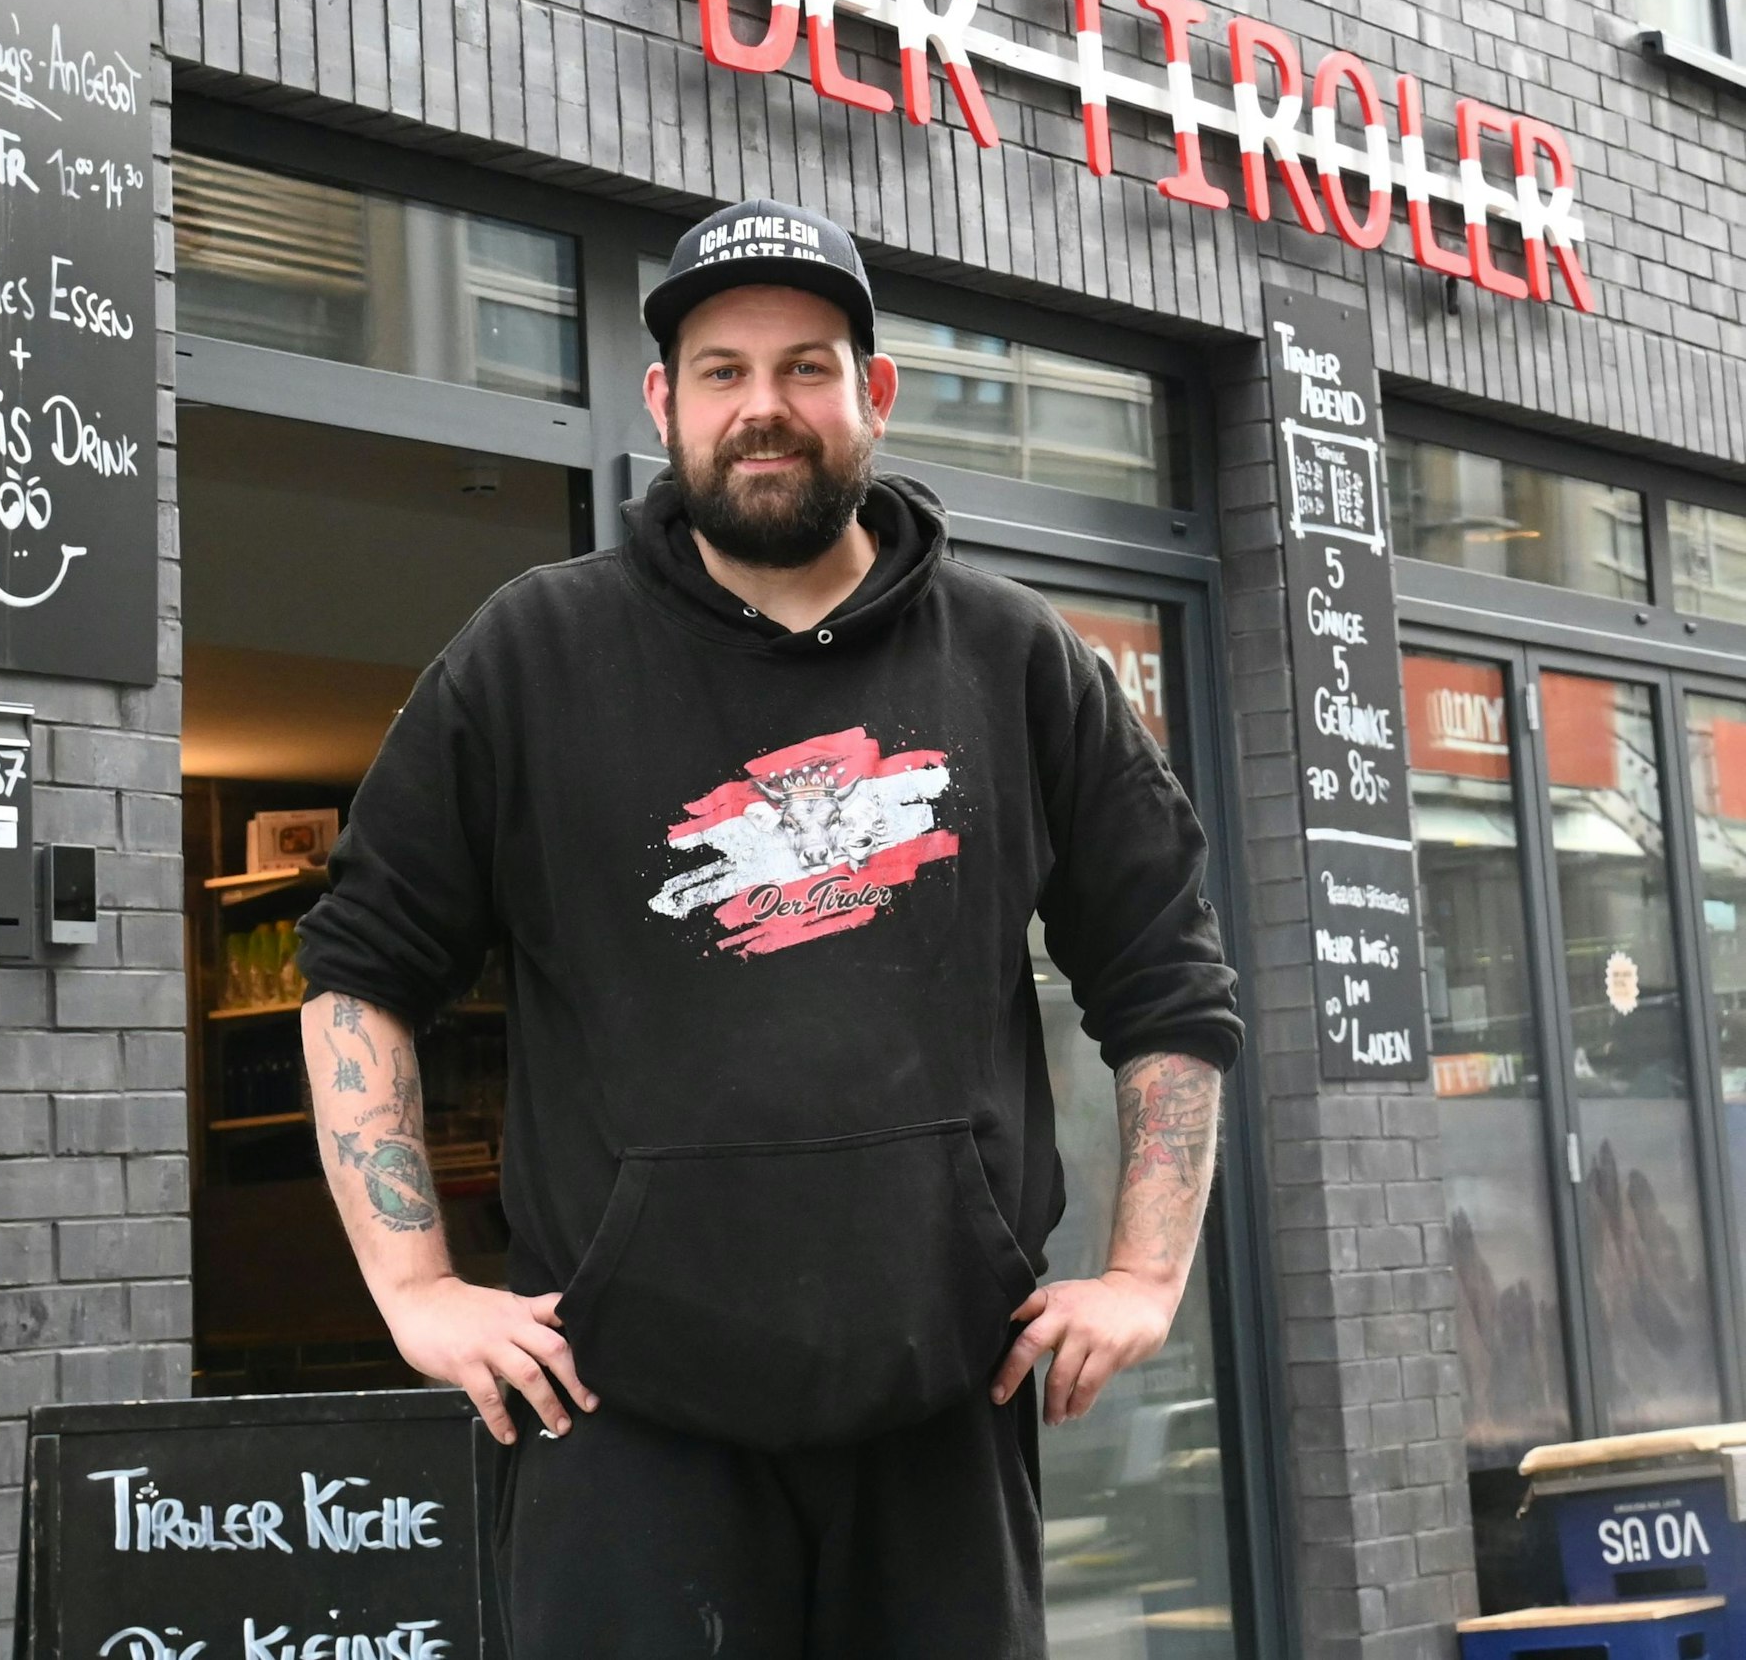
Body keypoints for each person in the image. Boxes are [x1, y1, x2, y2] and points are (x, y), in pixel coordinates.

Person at [297, 196, 1242, 1660]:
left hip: (943, 1408)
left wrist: (1144, 1273)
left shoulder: (1014, 659)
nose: (766, 408)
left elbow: (1166, 977)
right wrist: (415, 1290)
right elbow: (360, 968)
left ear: (875, 392)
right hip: (621, 1421)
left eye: (807, 366)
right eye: (725, 371)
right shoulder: (534, 652)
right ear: (667, 401)